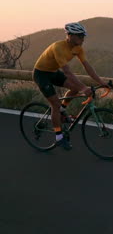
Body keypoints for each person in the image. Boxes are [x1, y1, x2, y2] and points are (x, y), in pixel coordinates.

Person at [33, 22, 108, 150]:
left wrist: (101, 82)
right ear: (70, 35)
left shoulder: (78, 49)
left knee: (73, 89)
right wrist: (84, 88)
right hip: (41, 74)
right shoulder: (58, 47)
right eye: (79, 36)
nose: (82, 38)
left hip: (53, 72)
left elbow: (88, 67)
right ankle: (58, 137)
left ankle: (62, 110)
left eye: (83, 36)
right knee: (55, 105)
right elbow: (67, 72)